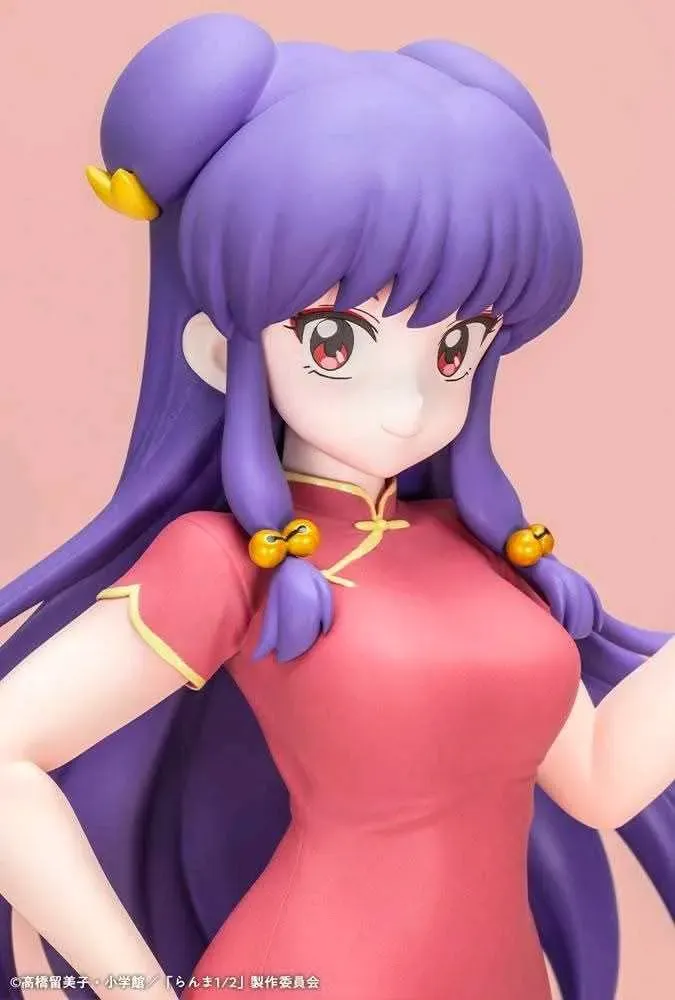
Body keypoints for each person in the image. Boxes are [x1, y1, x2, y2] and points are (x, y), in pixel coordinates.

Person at [0, 13, 672, 1000]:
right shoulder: (230, 562)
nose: (409, 403)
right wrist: (135, 989)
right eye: (335, 340)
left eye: (455, 346)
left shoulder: (481, 552)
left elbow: (601, 779)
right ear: (225, 342)